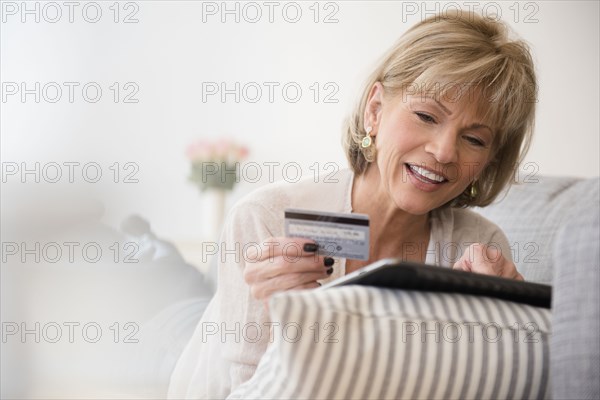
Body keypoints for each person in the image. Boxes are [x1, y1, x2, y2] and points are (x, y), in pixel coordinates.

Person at [168, 10, 536, 399]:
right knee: (169, 298)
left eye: (474, 140)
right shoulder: (266, 216)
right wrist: (283, 322)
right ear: (375, 109)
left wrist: (517, 329)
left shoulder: (479, 246)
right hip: (201, 369)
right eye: (426, 115)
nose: (444, 152)